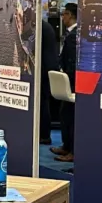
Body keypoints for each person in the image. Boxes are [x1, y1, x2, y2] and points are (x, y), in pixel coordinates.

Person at [52, 3, 77, 161]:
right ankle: (66, 146)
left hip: (73, 82)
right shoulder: (70, 34)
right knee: (65, 114)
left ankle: (72, 151)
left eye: (65, 14)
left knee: (71, 116)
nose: (62, 18)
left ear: (71, 15)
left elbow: (72, 61)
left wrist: (70, 79)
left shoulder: (74, 35)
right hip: (69, 81)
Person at [39, 12, 60, 146]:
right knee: (43, 103)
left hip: (43, 71)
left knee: (42, 103)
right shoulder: (46, 27)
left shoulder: (41, 28)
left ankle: (44, 135)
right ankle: (44, 134)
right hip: (47, 69)